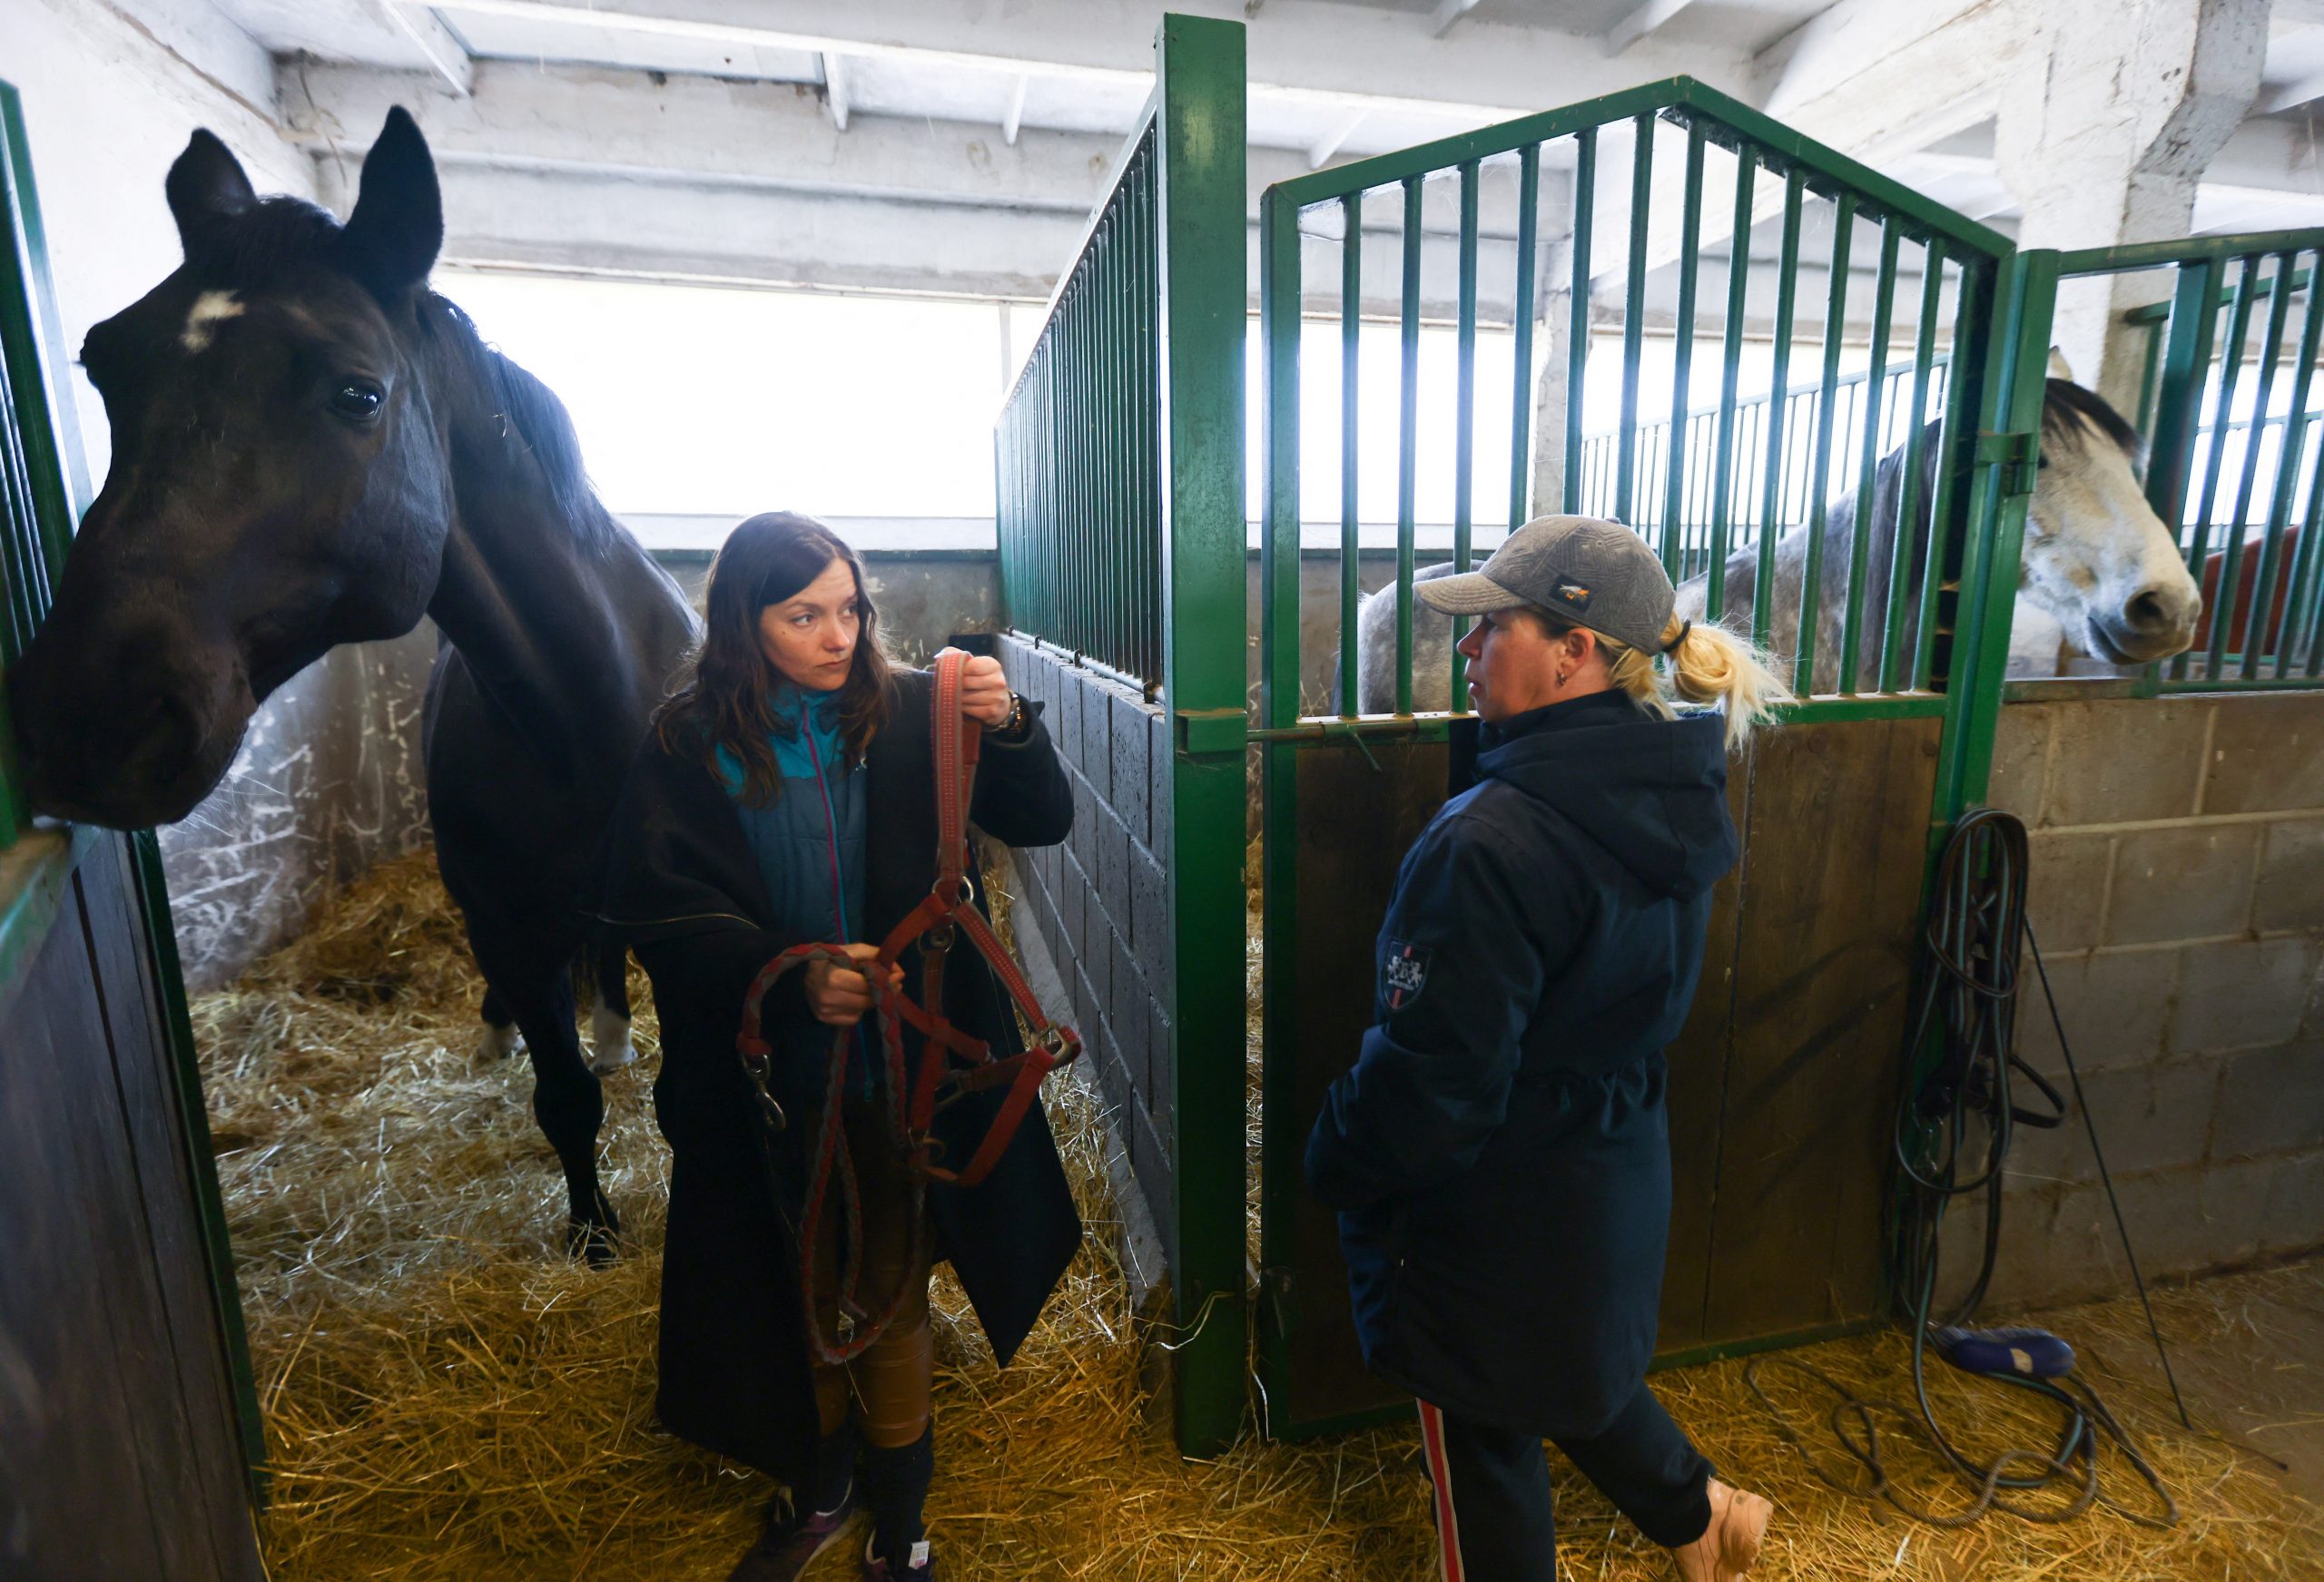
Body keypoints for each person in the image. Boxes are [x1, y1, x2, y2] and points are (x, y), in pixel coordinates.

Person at [591, 512, 1079, 1582]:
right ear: (743, 622)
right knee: (792, 1288)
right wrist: (785, 974)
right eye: (802, 614)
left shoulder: (913, 715)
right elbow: (657, 911)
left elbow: (1043, 819)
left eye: (849, 608)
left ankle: (902, 1521)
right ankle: (819, 1486)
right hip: (764, 1078)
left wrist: (1008, 728)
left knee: (890, 1290)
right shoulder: (685, 744)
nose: (837, 635)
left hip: (902, 1073)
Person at [1305, 516, 1789, 1582]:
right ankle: (1698, 1513)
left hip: (1490, 1198)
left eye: (1495, 629)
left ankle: (1687, 1514)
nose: (1468, 649)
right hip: (1605, 1165)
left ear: (1571, 651)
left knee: (1481, 1426)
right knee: (1559, 1360)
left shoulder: (1488, 838)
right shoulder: (1668, 790)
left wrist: (1336, 1157)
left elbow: (1434, 1084)